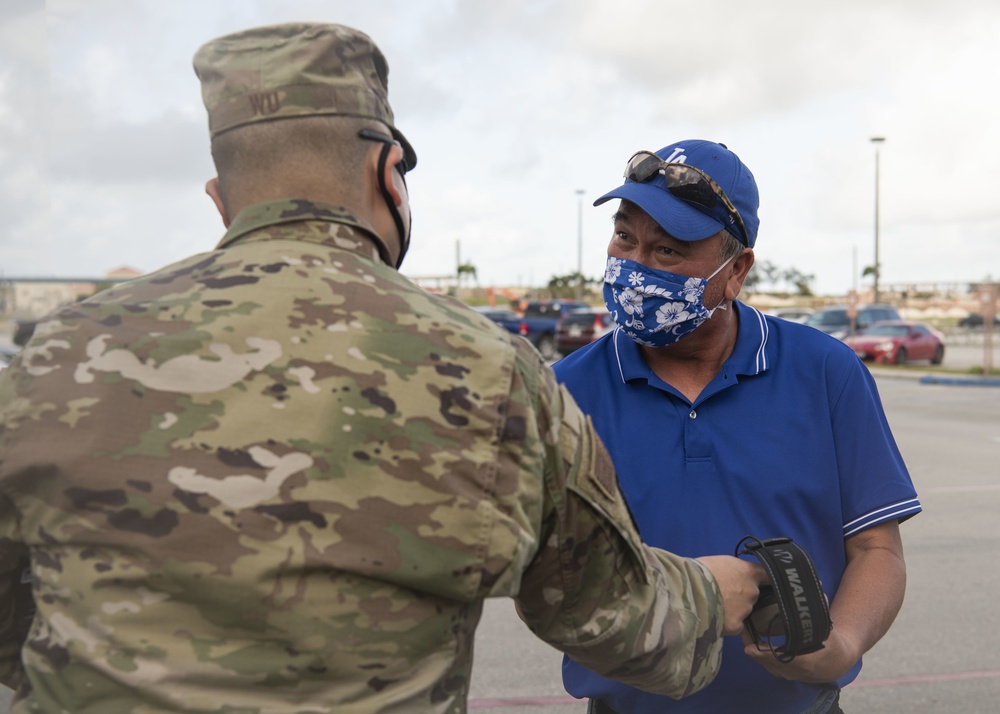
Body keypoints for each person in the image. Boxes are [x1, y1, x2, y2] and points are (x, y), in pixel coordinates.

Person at [0, 25, 766, 713]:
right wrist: (717, 594)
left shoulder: (57, 352)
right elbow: (612, 617)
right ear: (387, 170)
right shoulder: (490, 371)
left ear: (220, 198)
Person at [555, 140, 922, 714]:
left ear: (736, 271)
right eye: (626, 238)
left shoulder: (827, 372)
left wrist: (840, 645)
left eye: (670, 252)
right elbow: (547, 577)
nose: (636, 267)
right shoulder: (563, 392)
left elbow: (877, 548)